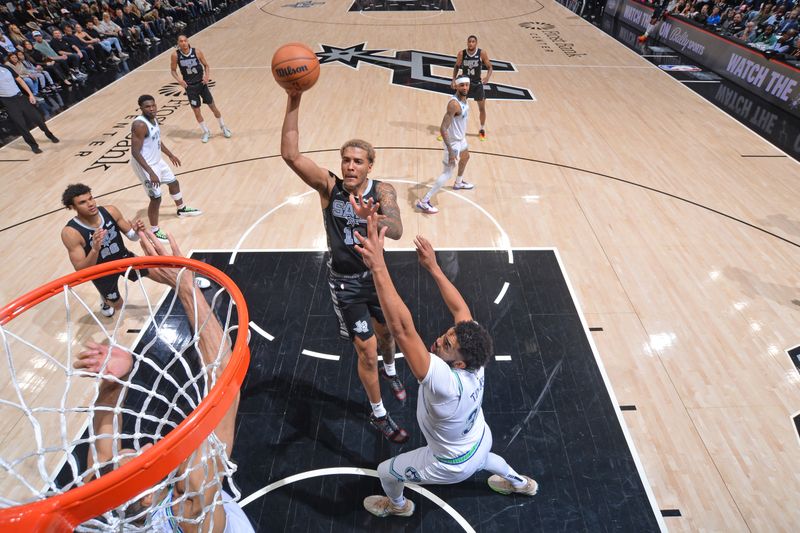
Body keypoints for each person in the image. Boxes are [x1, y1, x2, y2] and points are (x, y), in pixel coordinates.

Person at [350, 212, 539, 518]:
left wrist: (378, 266)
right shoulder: (476, 358)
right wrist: (433, 267)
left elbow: (402, 329)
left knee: (386, 471)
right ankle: (520, 483)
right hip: (479, 437)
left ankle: (398, 507)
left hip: (450, 463)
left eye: (447, 345)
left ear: (460, 363)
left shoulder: (446, 383)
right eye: (447, 335)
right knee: (486, 458)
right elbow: (460, 309)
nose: (439, 340)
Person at [75, 230, 253, 532]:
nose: (139, 444)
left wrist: (115, 382)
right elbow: (226, 381)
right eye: (131, 457)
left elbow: (102, 454)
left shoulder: (114, 504)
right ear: (146, 499)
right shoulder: (191, 507)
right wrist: (184, 284)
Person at [280, 89, 409, 443]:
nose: (350, 167)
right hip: (346, 284)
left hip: (377, 279)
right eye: (346, 160)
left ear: (370, 166)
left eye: (358, 161)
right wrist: (294, 99)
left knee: (388, 337)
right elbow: (290, 155)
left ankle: (392, 369)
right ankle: (379, 414)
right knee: (366, 350)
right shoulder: (329, 188)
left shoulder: (382, 193)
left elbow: (397, 230)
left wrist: (374, 219)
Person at [60, 183, 149, 317]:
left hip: (123, 257)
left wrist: (137, 231)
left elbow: (132, 237)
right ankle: (105, 300)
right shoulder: (70, 233)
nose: (90, 204)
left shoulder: (110, 211)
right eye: (83, 202)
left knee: (159, 274)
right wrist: (95, 249)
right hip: (100, 272)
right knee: (118, 306)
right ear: (72, 207)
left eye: (91, 198)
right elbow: (81, 270)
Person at [130, 94, 202, 244]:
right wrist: (150, 172)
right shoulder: (139, 125)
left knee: (173, 182)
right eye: (147, 107)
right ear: (141, 108)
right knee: (156, 198)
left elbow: (156, 140)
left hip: (157, 160)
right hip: (145, 165)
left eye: (153, 105)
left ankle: (181, 209)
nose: (151, 109)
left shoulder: (153, 118)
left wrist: (170, 155)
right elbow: (135, 152)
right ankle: (154, 231)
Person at [416, 76, 474, 215]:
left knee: (466, 157)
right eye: (462, 85)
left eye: (467, 85)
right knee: (447, 173)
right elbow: (442, 128)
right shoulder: (454, 104)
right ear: (456, 87)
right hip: (453, 143)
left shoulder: (465, 99)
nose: (465, 88)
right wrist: (451, 151)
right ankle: (424, 202)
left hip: (461, 139)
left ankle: (459, 183)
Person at [171, 34, 231, 143]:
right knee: (197, 112)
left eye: (185, 40)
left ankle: (223, 127)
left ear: (188, 41)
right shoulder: (175, 55)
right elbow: (173, 70)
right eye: (181, 41)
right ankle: (206, 131)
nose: (183, 43)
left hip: (201, 84)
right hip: (190, 87)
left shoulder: (197, 52)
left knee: (213, 107)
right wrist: (179, 80)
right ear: (178, 43)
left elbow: (206, 65)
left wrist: (207, 76)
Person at [0, 52, 59, 153]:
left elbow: (20, 80)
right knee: (21, 125)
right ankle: (33, 145)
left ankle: (49, 134)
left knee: (38, 118)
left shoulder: (6, 68)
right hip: (8, 102)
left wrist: (30, 94)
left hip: (20, 97)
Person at [451, 35, 491, 141]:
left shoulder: (481, 53)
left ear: (476, 43)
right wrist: (453, 79)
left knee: (481, 108)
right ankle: (449, 128)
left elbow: (490, 67)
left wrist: (487, 77)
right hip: (465, 83)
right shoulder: (462, 53)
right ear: (467, 42)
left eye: (473, 41)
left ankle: (482, 129)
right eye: (469, 41)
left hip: (477, 84)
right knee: (455, 107)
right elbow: (456, 66)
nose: (471, 43)